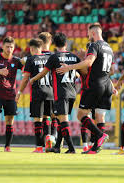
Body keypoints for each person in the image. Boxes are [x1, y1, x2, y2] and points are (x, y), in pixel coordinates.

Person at [56, 23, 115, 154]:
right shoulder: (109, 48)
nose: (88, 36)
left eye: (88, 34)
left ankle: (100, 136)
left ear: (93, 33)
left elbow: (88, 62)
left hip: (94, 85)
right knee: (98, 116)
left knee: (81, 114)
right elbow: (111, 70)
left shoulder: (94, 45)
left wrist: (69, 67)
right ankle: (95, 148)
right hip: (106, 85)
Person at [30, 33, 84, 154]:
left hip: (61, 93)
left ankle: (71, 147)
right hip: (73, 92)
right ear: (66, 44)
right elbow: (80, 73)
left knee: (63, 121)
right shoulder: (74, 57)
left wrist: (33, 79)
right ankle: (58, 146)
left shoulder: (54, 58)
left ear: (55, 45)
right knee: (60, 120)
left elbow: (44, 72)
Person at [15, 38, 54, 153]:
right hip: (50, 92)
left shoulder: (31, 60)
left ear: (31, 49)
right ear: (41, 48)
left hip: (38, 92)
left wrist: (19, 93)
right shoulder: (49, 58)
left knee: (38, 120)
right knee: (47, 117)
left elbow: (26, 78)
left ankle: (39, 147)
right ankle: (48, 137)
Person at [0, 36, 24, 152]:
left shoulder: (17, 61)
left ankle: (7, 146)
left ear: (14, 48)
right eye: (7, 46)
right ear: (2, 47)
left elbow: (25, 72)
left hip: (10, 95)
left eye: (11, 47)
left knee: (9, 121)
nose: (9, 49)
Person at [37, 32, 59, 150]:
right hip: (54, 89)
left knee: (45, 116)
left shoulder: (35, 56)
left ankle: (47, 137)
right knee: (55, 116)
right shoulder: (55, 56)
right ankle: (54, 137)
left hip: (40, 90)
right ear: (50, 42)